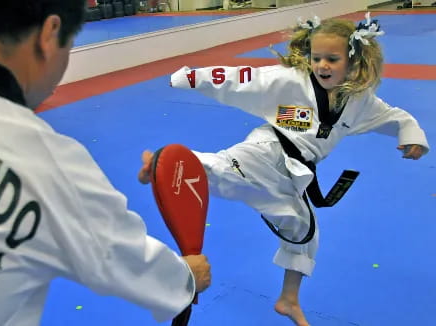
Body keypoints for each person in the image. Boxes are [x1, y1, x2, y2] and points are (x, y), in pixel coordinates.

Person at [0, 0, 211, 325]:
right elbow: (131, 260)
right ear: (50, 33)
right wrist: (186, 275)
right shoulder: (45, 160)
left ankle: (283, 298)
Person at [139, 13, 429, 326]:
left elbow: (397, 117)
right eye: (317, 58)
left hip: (296, 175)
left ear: (353, 60)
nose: (322, 66)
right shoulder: (291, 81)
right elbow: (240, 79)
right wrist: (191, 78)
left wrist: (411, 138)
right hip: (268, 150)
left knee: (304, 232)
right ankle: (168, 164)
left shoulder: (361, 102)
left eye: (332, 59)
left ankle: (288, 299)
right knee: (228, 171)